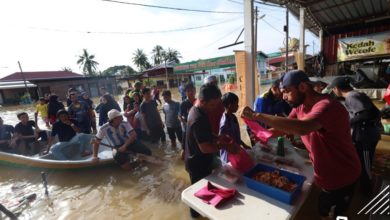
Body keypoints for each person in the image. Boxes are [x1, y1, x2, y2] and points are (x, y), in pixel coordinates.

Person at [241, 70, 361, 219]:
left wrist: (256, 115)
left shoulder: (327, 106)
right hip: (325, 174)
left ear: (303, 87)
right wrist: (263, 134)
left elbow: (301, 127)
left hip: (341, 175)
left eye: (287, 92)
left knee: (336, 215)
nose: (284, 97)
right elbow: (285, 127)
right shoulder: (300, 107)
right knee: (324, 210)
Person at [184, 84, 238, 218]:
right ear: (202, 101)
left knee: (206, 192)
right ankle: (196, 216)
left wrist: (218, 137)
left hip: (201, 160)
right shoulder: (197, 118)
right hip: (197, 164)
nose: (215, 108)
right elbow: (205, 147)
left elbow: (204, 134)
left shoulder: (200, 110)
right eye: (212, 105)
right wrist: (225, 146)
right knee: (197, 199)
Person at [329, 76, 382, 195]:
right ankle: (363, 185)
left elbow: (366, 114)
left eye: (333, 89)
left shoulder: (351, 96)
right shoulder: (355, 95)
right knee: (361, 162)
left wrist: (346, 123)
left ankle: (367, 191)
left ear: (337, 88)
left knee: (365, 164)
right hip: (365, 134)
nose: (333, 91)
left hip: (365, 137)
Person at [249, 79, 291, 146]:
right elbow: (262, 121)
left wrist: (287, 128)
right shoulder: (262, 100)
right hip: (256, 128)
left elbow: (280, 115)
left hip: (267, 125)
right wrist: (282, 130)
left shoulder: (278, 98)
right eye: (282, 92)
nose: (284, 95)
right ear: (274, 89)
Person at [219, 92, 253, 173]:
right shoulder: (224, 122)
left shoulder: (233, 117)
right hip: (228, 155)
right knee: (231, 172)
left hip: (236, 151)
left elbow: (236, 136)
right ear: (230, 105)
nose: (238, 106)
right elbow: (222, 141)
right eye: (236, 104)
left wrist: (244, 144)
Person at [180, 83, 196, 153]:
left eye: (192, 90)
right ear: (185, 92)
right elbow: (179, 116)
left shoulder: (198, 102)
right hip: (187, 129)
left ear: (195, 91)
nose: (191, 92)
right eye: (188, 91)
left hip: (196, 128)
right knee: (184, 149)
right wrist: (186, 124)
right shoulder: (184, 103)